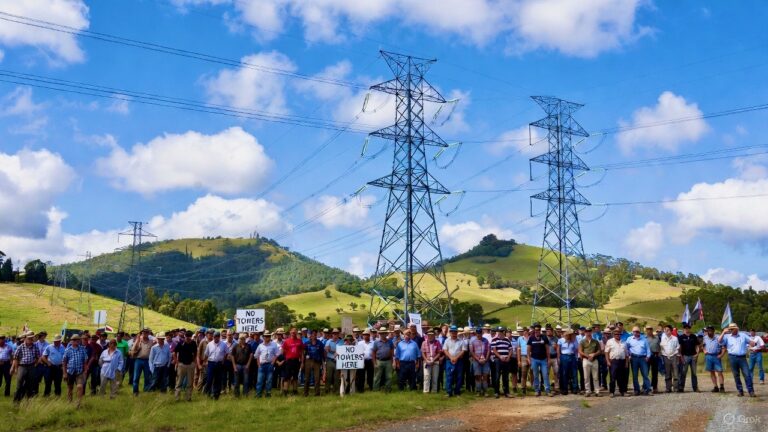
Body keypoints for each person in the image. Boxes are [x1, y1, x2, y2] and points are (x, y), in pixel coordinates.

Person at [718, 323, 756, 397]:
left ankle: (751, 391)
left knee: (747, 374)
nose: (731, 330)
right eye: (730, 329)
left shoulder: (743, 335)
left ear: (737, 328)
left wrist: (752, 343)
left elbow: (751, 342)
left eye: (733, 328)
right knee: (736, 375)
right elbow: (719, 341)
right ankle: (740, 391)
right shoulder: (727, 336)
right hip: (732, 357)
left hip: (742, 357)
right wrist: (723, 332)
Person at [11, 332, 41, 403]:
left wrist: (35, 364)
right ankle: (16, 401)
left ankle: (28, 401)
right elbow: (15, 358)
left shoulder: (35, 347)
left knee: (31, 384)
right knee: (19, 384)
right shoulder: (20, 347)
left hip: (31, 366)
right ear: (25, 338)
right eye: (29, 338)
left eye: (32, 338)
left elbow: (38, 357)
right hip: (22, 366)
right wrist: (15, 368)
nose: (31, 339)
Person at [62, 334, 89, 407]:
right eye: (74, 340)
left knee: (80, 386)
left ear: (79, 341)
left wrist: (85, 370)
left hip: (79, 372)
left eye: (77, 340)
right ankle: (69, 402)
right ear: (71, 341)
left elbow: (85, 361)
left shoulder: (82, 349)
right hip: (70, 372)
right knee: (70, 388)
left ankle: (78, 403)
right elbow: (64, 362)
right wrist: (64, 373)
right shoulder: (68, 350)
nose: (76, 341)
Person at [625, 326, 652, 396]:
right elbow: (626, 348)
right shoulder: (629, 339)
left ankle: (648, 390)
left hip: (643, 358)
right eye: (634, 331)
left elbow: (648, 349)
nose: (636, 333)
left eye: (637, 331)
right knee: (635, 375)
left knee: (645, 374)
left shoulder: (644, 339)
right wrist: (629, 355)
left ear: (639, 332)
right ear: (632, 332)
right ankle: (636, 390)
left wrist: (648, 356)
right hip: (634, 358)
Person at [527, 323, 552, 397]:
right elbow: (528, 349)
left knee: (545, 375)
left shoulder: (544, 337)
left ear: (540, 330)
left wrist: (549, 359)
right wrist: (529, 359)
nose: (537, 331)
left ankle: (547, 390)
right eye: (535, 330)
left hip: (543, 359)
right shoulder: (531, 338)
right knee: (535, 375)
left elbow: (547, 349)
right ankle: (537, 390)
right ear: (534, 330)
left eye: (538, 330)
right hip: (534, 359)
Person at [203, 331, 229, 400]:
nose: (216, 338)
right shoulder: (209, 344)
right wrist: (204, 362)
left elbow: (226, 353)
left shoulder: (223, 344)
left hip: (219, 363)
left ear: (219, 337)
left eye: (217, 337)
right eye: (214, 337)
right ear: (213, 337)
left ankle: (216, 395)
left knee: (218, 380)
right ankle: (208, 393)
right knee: (209, 379)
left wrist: (223, 360)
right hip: (211, 363)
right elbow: (206, 354)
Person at [174, 330, 197, 401]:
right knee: (179, 382)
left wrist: (194, 362)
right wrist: (177, 362)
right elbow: (175, 352)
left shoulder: (193, 343)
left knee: (190, 383)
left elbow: (196, 352)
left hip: (190, 365)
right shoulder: (181, 343)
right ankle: (177, 398)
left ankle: (188, 398)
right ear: (185, 336)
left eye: (189, 336)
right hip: (182, 365)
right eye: (187, 336)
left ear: (191, 337)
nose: (188, 338)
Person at [578, 327, 602, 397]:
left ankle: (597, 391)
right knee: (586, 377)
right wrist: (588, 356)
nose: (588, 333)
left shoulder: (595, 341)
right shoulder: (582, 341)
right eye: (586, 332)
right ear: (585, 333)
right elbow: (580, 351)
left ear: (591, 332)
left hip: (594, 360)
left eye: (589, 331)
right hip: (586, 359)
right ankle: (588, 391)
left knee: (596, 377)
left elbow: (599, 350)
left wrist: (594, 354)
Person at [255, 330, 279, 398]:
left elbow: (276, 354)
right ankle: (258, 394)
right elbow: (256, 355)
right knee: (260, 381)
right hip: (262, 365)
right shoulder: (260, 345)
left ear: (270, 337)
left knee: (269, 380)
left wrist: (272, 363)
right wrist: (259, 365)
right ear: (263, 337)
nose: (267, 337)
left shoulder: (274, 344)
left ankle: (268, 394)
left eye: (268, 336)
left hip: (269, 364)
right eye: (265, 336)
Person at [442, 325, 465, 397]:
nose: (453, 333)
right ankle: (449, 392)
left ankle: (457, 391)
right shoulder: (447, 340)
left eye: (455, 331)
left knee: (459, 376)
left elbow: (463, 351)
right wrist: (451, 357)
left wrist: (456, 358)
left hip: (459, 361)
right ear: (450, 332)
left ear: (457, 332)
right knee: (449, 376)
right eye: (452, 331)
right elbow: (445, 350)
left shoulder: (461, 341)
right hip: (449, 360)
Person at [604, 329, 627, 397]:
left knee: (621, 377)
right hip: (613, 361)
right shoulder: (610, 341)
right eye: (616, 334)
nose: (617, 335)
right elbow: (606, 352)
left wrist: (626, 363)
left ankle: (622, 391)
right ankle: (612, 392)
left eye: (619, 334)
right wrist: (608, 361)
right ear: (613, 335)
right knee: (612, 377)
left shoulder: (624, 342)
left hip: (622, 361)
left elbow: (626, 354)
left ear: (620, 335)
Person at [281, 327, 304, 396]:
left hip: (296, 361)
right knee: (287, 376)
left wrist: (302, 362)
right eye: (292, 332)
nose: (293, 333)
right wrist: (288, 356)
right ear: (290, 332)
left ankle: (295, 391)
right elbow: (283, 351)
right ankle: (285, 391)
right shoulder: (286, 341)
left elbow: (302, 352)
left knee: (295, 376)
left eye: (294, 332)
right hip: (289, 361)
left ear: (296, 333)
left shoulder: (299, 341)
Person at [677, 324, 700, 392]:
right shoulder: (681, 337)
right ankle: (681, 387)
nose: (687, 329)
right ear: (684, 329)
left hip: (693, 356)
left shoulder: (694, 336)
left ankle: (695, 387)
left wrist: (697, 354)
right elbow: (679, 348)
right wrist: (681, 356)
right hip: (685, 356)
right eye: (685, 328)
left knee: (694, 373)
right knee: (683, 373)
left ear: (690, 329)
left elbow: (697, 346)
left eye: (688, 328)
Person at [490, 327, 512, 398]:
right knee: (497, 376)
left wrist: (508, 357)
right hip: (498, 360)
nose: (498, 332)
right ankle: (496, 392)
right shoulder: (494, 339)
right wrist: (500, 357)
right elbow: (494, 350)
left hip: (506, 360)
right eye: (498, 331)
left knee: (506, 377)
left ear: (503, 332)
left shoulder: (507, 340)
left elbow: (510, 349)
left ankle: (506, 392)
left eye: (500, 331)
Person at [130, 329, 152, 395]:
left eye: (146, 332)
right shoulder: (138, 340)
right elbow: (133, 349)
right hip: (138, 360)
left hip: (147, 361)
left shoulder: (151, 341)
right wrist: (138, 340)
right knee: (136, 377)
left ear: (149, 333)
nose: (145, 333)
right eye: (144, 332)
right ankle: (135, 391)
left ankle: (146, 390)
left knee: (147, 377)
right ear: (142, 333)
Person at [557, 329, 579, 395]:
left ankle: (574, 388)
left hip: (572, 356)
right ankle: (564, 389)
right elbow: (558, 349)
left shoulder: (574, 340)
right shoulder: (560, 340)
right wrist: (558, 358)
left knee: (574, 373)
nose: (568, 335)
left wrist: (576, 357)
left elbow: (577, 349)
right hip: (564, 356)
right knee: (564, 373)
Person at [470, 328, 491, 397]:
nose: (479, 334)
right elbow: (472, 352)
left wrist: (486, 359)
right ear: (476, 333)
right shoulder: (473, 341)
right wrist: (478, 359)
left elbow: (488, 350)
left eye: (480, 333)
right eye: (477, 333)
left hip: (485, 361)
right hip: (476, 361)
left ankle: (485, 391)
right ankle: (478, 391)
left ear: (482, 333)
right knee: (477, 376)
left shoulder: (486, 340)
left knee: (485, 376)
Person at [372, 328, 394, 392]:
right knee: (377, 377)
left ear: (386, 334)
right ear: (379, 334)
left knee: (389, 377)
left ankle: (388, 389)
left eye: (384, 333)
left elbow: (392, 352)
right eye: (381, 333)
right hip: (379, 361)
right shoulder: (376, 342)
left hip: (388, 361)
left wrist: (392, 362)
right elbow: (373, 352)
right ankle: (375, 389)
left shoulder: (390, 341)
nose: (383, 334)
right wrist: (374, 363)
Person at [660, 325, 680, 393]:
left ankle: (676, 388)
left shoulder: (675, 338)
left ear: (671, 331)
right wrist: (664, 355)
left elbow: (677, 347)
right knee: (667, 373)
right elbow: (661, 348)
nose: (666, 331)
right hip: (665, 357)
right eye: (665, 330)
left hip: (674, 356)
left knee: (675, 373)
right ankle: (668, 388)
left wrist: (675, 354)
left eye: (668, 330)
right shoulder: (662, 338)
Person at [421, 329, 443, 393]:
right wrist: (426, 360)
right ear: (427, 335)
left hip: (435, 361)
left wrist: (433, 359)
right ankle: (426, 391)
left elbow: (439, 353)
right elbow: (423, 353)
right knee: (426, 376)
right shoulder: (424, 343)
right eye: (429, 335)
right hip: (426, 362)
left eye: (431, 335)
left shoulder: (437, 342)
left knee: (435, 377)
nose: (430, 336)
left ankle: (434, 391)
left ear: (434, 335)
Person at [303, 330, 324, 396]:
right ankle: (305, 393)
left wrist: (322, 363)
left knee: (317, 378)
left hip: (317, 362)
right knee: (307, 378)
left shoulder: (320, 343)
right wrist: (303, 362)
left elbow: (322, 353)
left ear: (316, 335)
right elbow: (304, 353)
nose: (314, 336)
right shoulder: (306, 343)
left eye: (315, 334)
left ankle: (317, 393)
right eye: (312, 334)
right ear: (310, 335)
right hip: (308, 361)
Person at [324, 329, 341, 394]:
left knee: (336, 377)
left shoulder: (341, 341)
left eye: (336, 333)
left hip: (338, 361)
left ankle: (336, 391)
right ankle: (327, 390)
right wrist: (335, 351)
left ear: (338, 334)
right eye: (334, 334)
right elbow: (326, 350)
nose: (335, 335)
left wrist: (332, 350)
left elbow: (342, 350)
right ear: (332, 334)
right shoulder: (328, 341)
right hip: (329, 360)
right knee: (328, 376)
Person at [645, 325, 660, 393]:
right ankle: (646, 387)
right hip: (647, 357)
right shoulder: (644, 338)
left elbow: (660, 346)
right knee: (646, 372)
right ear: (646, 330)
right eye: (648, 329)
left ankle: (655, 387)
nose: (649, 330)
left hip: (655, 356)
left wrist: (659, 354)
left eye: (650, 329)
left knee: (654, 373)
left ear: (652, 330)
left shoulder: (657, 338)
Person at [517, 327, 531, 394]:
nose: (525, 332)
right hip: (523, 356)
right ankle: (523, 387)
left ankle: (534, 386)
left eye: (526, 331)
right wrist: (519, 360)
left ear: (528, 331)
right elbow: (518, 349)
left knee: (533, 372)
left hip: (531, 356)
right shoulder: (520, 338)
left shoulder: (531, 338)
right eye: (524, 331)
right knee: (523, 373)